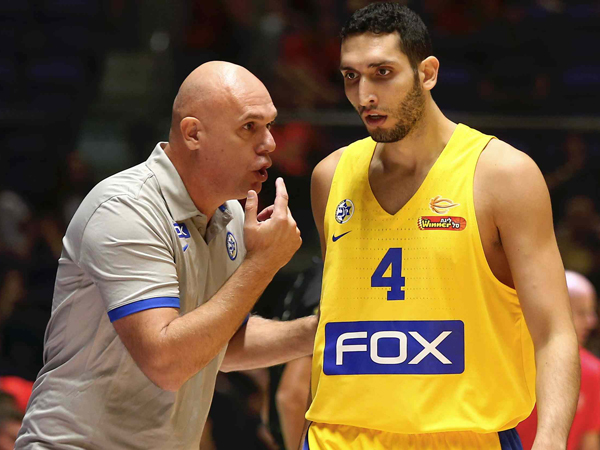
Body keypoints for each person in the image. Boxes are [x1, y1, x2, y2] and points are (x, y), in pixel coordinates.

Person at [305, 3, 579, 450]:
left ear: (427, 73)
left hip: (465, 436)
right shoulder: (329, 177)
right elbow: (336, 323)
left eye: (382, 73)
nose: (364, 95)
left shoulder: (503, 175)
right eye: (351, 76)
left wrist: (550, 440)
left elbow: (553, 332)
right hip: (335, 437)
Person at [15, 61, 317, 450]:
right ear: (193, 133)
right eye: (249, 127)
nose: (270, 143)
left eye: (270, 125)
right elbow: (167, 362)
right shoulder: (127, 208)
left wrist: (320, 333)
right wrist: (262, 265)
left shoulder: (229, 215)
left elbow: (218, 343)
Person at [517, 271, 600, 450]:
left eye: (591, 312)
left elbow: (589, 443)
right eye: (581, 312)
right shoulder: (512, 361)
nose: (591, 321)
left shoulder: (594, 371)